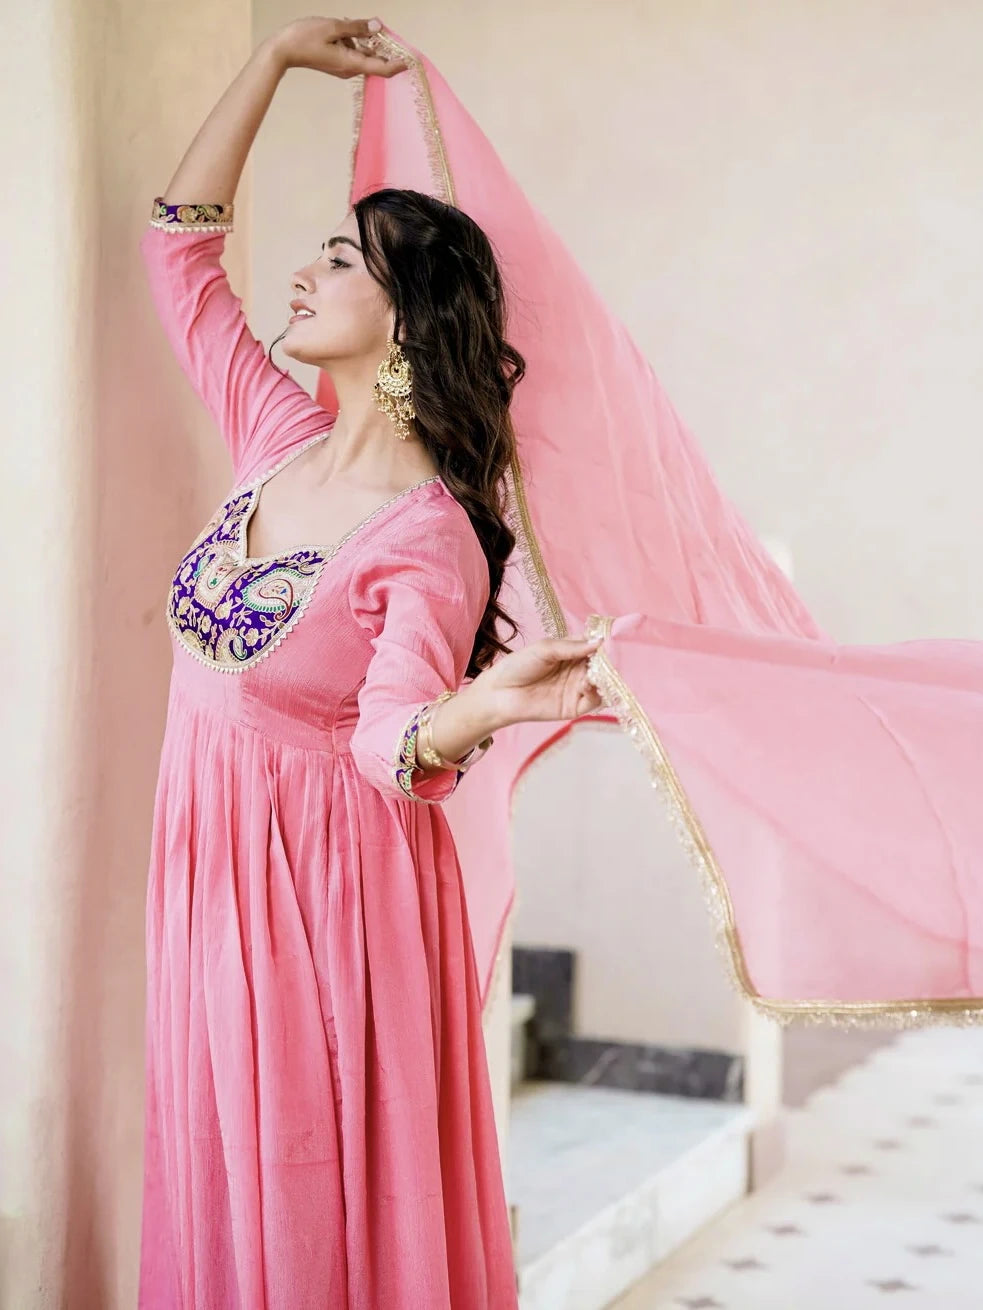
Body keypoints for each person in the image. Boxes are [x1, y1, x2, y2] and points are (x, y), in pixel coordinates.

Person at [138, 15, 604, 1308]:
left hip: (320, 909)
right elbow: (178, 250)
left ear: (403, 323)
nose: (302, 271)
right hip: (211, 883)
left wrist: (478, 707)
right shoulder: (272, 436)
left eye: (339, 258)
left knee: (301, 1207)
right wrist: (271, 59)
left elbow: (388, 736)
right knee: (222, 1185)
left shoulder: (432, 536)